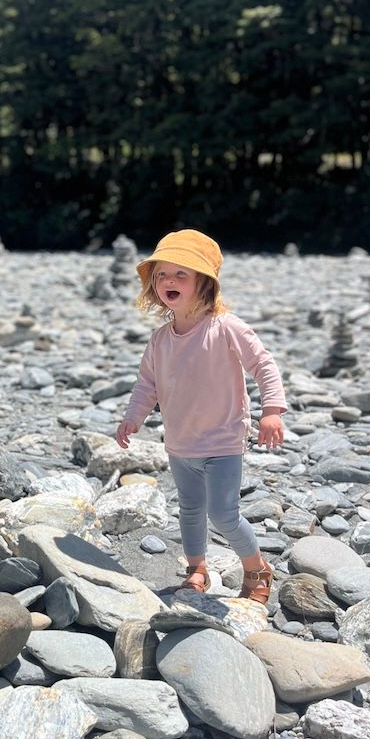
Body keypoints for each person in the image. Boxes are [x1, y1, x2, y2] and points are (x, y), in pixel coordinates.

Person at [115, 229, 286, 604]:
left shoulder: (225, 327)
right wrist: (133, 417)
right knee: (190, 510)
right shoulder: (160, 339)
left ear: (204, 283)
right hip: (179, 443)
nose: (169, 281)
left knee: (224, 514)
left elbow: (263, 364)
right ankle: (196, 568)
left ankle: (256, 567)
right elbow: (147, 384)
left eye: (181, 274)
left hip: (223, 441)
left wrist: (271, 410)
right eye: (162, 274)